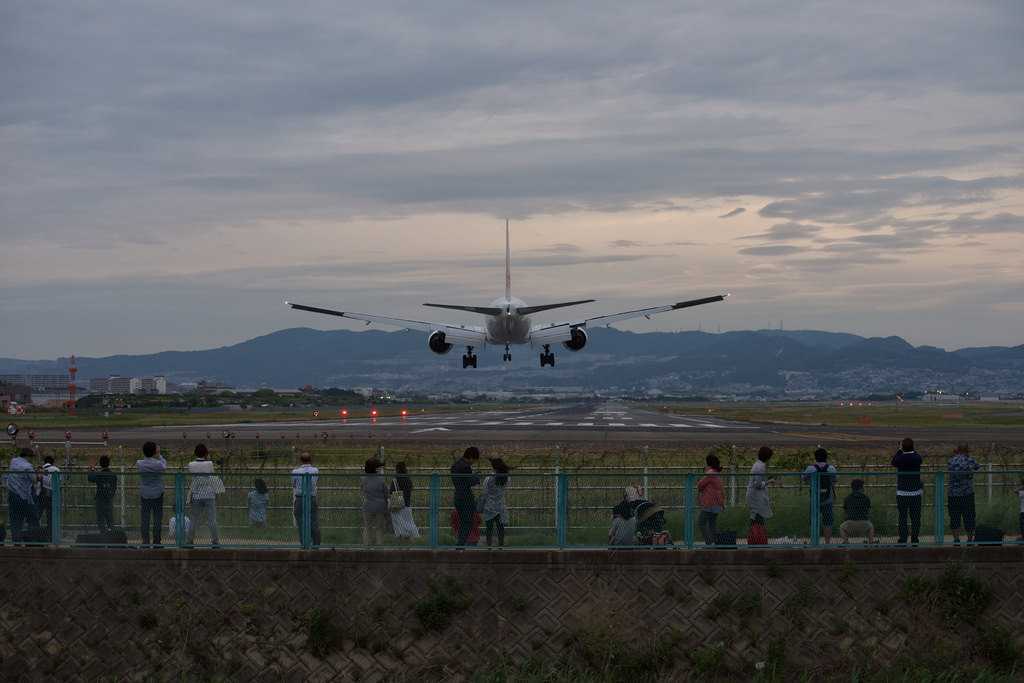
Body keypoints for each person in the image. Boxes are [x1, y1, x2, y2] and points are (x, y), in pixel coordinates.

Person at [801, 447, 838, 544]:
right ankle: (827, 542)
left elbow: (803, 478)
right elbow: (835, 479)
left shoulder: (811, 468)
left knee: (814, 521)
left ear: (815, 457)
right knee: (828, 523)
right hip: (827, 499)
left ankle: (814, 542)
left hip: (814, 499)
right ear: (826, 457)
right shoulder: (831, 468)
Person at [186, 444, 219, 547]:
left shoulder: (191, 464)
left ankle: (190, 540)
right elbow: (212, 474)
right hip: (209, 493)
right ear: (206, 454)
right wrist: (208, 460)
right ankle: (215, 541)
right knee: (212, 519)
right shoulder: (209, 464)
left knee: (194, 518)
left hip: (197, 494)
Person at [892, 437, 923, 545]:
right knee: (915, 517)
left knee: (903, 517)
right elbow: (919, 458)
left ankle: (903, 538)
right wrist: (911, 449)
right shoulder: (916, 458)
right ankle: (915, 537)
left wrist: (900, 450)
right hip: (915, 491)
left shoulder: (901, 458)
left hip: (903, 492)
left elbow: (894, 462)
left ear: (903, 447)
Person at [947, 442, 980, 544]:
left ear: (957, 450)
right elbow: (977, 466)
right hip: (967, 494)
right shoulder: (970, 461)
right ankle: (969, 539)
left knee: (954, 517)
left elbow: (950, 468)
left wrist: (957, 455)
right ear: (967, 450)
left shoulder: (951, 461)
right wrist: (967, 456)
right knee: (969, 516)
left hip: (953, 494)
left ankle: (956, 539)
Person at [7, 447, 41, 544]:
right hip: (26, 497)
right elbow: (34, 480)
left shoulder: (13, 462)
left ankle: (16, 541)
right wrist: (40, 475)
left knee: (15, 520)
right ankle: (32, 541)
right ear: (27, 456)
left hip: (13, 495)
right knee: (32, 518)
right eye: (31, 457)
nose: (31, 459)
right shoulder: (28, 466)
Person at [137, 441, 167, 547]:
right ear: (155, 451)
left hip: (145, 494)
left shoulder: (139, 463)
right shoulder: (157, 464)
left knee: (145, 519)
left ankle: (145, 541)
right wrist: (160, 455)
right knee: (157, 519)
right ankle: (157, 541)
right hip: (157, 494)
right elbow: (164, 466)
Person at [450, 447, 481, 547]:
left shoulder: (455, 465)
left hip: (458, 497)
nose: (473, 462)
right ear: (471, 457)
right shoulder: (465, 467)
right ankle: (461, 545)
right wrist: (477, 478)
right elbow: (468, 482)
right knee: (468, 524)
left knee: (463, 523)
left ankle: (460, 545)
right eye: (474, 460)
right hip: (466, 499)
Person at [480, 457, 511, 548]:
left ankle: (489, 546)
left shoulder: (489, 478)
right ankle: (500, 545)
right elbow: (507, 486)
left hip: (490, 505)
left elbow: (484, 491)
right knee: (500, 527)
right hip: (501, 504)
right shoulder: (506, 478)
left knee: (489, 527)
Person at [291, 452, 321, 546]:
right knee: (314, 521)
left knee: (301, 522)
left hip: (300, 498)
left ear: (300, 461)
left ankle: (304, 543)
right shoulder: (315, 470)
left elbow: (294, 484)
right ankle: (316, 543)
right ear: (310, 460)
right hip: (311, 498)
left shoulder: (295, 472)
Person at [389, 461, 419, 546]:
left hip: (397, 507)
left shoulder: (395, 480)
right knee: (407, 530)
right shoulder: (408, 480)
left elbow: (391, 493)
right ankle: (407, 548)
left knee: (398, 530)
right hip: (407, 507)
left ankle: (399, 548)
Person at [698, 453, 725, 546]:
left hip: (710, 503)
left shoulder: (710, 473)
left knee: (701, 522)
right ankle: (715, 541)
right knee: (712, 524)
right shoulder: (718, 474)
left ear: (708, 464)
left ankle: (710, 542)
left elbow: (700, 485)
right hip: (718, 502)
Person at [360, 457, 388, 546]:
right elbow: (385, 492)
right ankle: (379, 545)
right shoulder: (381, 479)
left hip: (367, 505)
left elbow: (362, 488)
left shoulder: (363, 478)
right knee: (379, 527)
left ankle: (367, 544)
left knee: (367, 527)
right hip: (380, 505)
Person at [88, 455, 117, 533]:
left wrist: (92, 469)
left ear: (100, 464)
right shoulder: (113, 475)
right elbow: (114, 487)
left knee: (101, 520)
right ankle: (111, 536)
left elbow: (90, 478)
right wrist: (111, 495)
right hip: (109, 499)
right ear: (109, 463)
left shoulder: (99, 475)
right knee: (110, 520)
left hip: (100, 500)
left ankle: (103, 535)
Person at [840, 479, 875, 543]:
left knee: (842, 528)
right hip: (864, 521)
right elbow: (869, 512)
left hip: (850, 522)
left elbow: (844, 512)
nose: (864, 488)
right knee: (871, 527)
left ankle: (846, 542)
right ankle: (871, 542)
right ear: (860, 488)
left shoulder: (848, 498)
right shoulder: (865, 498)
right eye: (863, 486)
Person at [38, 455, 60, 531]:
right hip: (52, 494)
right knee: (50, 515)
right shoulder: (56, 469)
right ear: (53, 462)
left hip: (41, 493)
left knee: (37, 513)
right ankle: (51, 533)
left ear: (44, 461)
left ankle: (34, 531)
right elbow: (59, 481)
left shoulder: (41, 469)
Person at [1015, 477, 1024, 542]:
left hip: (1023, 512)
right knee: (1022, 526)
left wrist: (1022, 487)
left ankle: (1022, 537)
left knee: (1022, 525)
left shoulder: (1023, 493)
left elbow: (1015, 491)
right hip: (1022, 511)